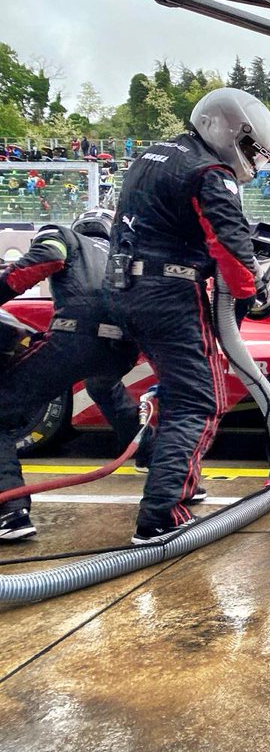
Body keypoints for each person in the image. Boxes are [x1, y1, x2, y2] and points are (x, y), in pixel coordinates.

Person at [107, 87, 270, 546]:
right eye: (248, 147)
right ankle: (162, 514)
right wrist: (256, 293)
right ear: (224, 127)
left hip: (124, 288)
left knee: (179, 393)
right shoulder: (209, 171)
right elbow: (232, 249)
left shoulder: (152, 156)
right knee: (200, 399)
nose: (249, 160)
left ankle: (178, 480)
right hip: (168, 292)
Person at [0, 209, 157, 541]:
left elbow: (45, 259)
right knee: (104, 388)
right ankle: (160, 464)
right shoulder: (125, 257)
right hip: (121, 351)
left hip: (76, 339)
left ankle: (10, 512)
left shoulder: (65, 236)